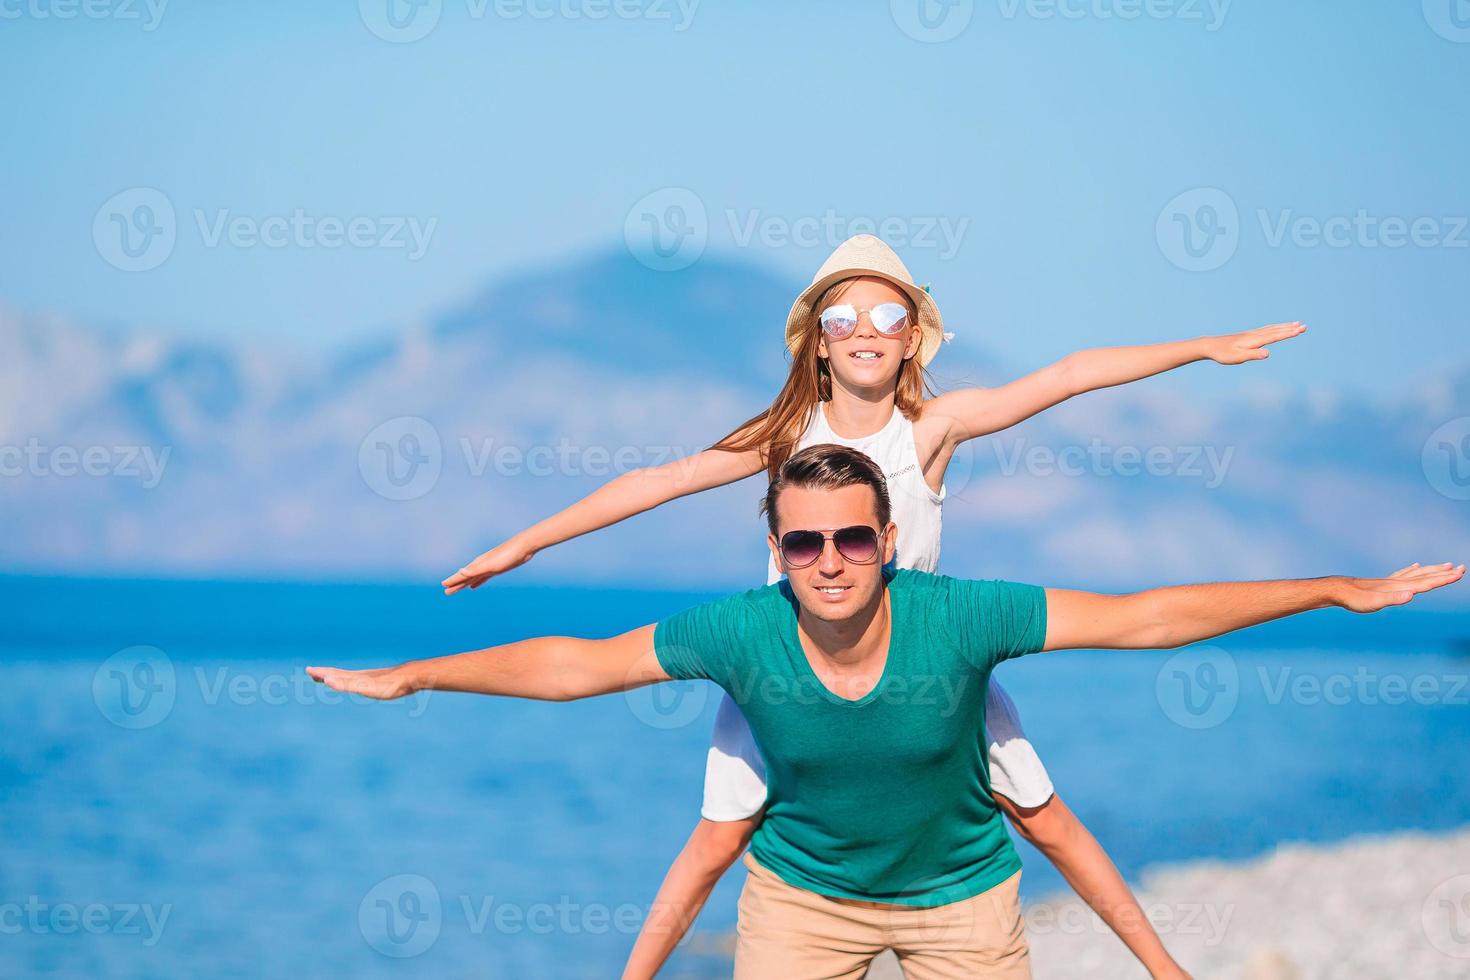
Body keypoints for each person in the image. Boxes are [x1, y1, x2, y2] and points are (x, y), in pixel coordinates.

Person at [439, 234, 1305, 977]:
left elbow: (1070, 375)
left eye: (888, 317)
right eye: (842, 318)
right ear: (816, 342)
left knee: (1047, 818)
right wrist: (529, 542)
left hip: (929, 672)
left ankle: (1162, 966)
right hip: (790, 678)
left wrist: (1198, 347)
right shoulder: (782, 435)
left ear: (913, 342)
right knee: (713, 842)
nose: (864, 332)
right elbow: (661, 480)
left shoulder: (930, 429)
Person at [311, 444, 1463, 978]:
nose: (828, 559)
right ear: (777, 547)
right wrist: (416, 674)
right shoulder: (740, 630)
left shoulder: (961, 616)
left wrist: (1334, 587)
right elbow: (578, 664)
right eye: (803, 540)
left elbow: (1146, 614)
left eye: (852, 535)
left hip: (962, 906)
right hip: (804, 906)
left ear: (889, 539)